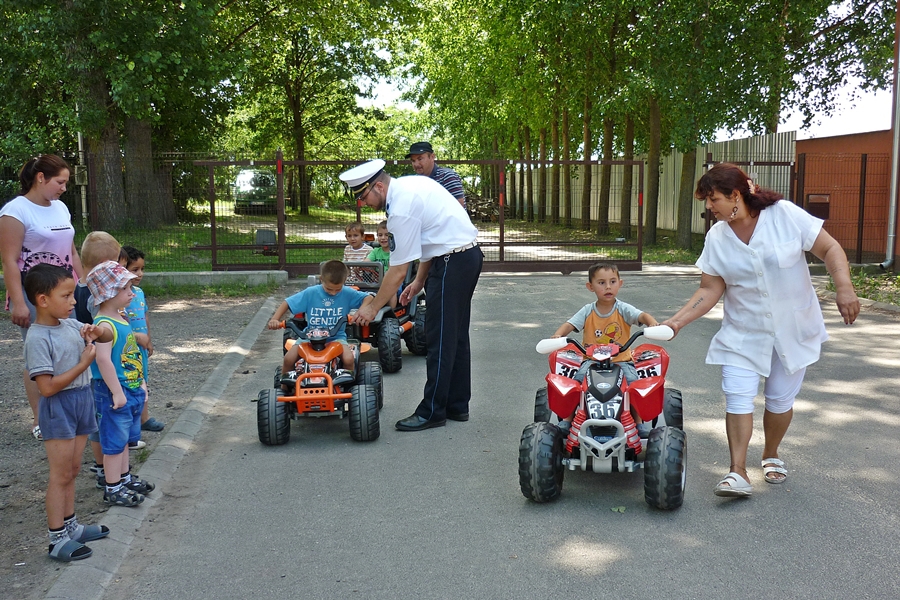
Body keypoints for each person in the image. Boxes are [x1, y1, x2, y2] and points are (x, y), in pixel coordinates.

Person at [662, 163, 860, 499]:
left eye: (713, 199)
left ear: (735, 195)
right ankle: (737, 471)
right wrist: (676, 321)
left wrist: (844, 287)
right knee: (737, 397)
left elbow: (829, 248)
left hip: (793, 328)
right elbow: (710, 288)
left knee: (779, 400)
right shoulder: (717, 237)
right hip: (743, 331)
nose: (709, 207)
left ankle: (771, 453)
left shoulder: (784, 215)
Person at [341, 159, 483, 432]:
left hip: (451, 262)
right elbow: (430, 239)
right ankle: (456, 405)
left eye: (364, 196)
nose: (363, 203)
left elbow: (397, 270)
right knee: (454, 335)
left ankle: (432, 411)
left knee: (439, 338)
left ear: (378, 187)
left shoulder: (400, 209)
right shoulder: (410, 185)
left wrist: (372, 308)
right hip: (463, 257)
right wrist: (419, 281)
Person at [22, 264, 111, 561]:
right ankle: (56, 538)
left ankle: (72, 527)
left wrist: (96, 331)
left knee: (73, 470)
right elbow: (46, 388)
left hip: (82, 400)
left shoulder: (71, 325)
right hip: (59, 408)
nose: (74, 301)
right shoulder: (38, 338)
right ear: (43, 300)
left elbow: (105, 337)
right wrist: (84, 364)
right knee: (60, 475)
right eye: (67, 295)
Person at [0, 155, 84, 440]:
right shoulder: (15, 211)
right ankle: (40, 419)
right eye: (60, 182)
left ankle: (67, 414)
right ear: (40, 178)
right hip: (36, 296)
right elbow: (9, 261)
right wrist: (19, 302)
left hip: (64, 293)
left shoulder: (60, 207)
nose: (64, 188)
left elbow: (72, 251)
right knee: (39, 356)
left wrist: (84, 284)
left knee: (68, 347)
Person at [551, 262, 658, 430]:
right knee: (577, 384)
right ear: (590, 287)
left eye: (612, 282)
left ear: (620, 283)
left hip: (621, 361)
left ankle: (638, 423)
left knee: (633, 385)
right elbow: (569, 324)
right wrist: (558, 335)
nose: (608, 287)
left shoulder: (623, 309)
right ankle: (567, 419)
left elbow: (641, 316)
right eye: (601, 282)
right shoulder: (587, 311)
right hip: (591, 361)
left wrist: (652, 323)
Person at [87, 260, 155, 507]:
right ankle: (113, 486)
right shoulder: (104, 325)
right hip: (114, 390)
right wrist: (116, 391)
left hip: (131, 386)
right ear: (108, 293)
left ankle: (124, 478)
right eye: (125, 289)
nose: (131, 293)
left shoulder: (121, 318)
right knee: (114, 442)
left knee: (124, 438)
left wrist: (141, 383)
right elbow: (103, 360)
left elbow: (132, 354)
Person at [74, 231, 131, 483]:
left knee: (100, 416)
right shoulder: (95, 297)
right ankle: (104, 469)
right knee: (103, 418)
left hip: (91, 359)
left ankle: (109, 467)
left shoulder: (78, 288)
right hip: (99, 363)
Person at [266, 260, 374, 385]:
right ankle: (284, 389)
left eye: (337, 289)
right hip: (309, 338)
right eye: (329, 289)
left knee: (349, 359)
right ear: (321, 279)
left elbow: (369, 298)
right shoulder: (311, 293)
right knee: (288, 359)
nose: (333, 293)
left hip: (336, 338)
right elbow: (288, 302)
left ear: (344, 281)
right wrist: (275, 319)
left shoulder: (347, 293)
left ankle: (349, 389)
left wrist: (360, 312)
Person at [119, 245, 165, 434]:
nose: (140, 274)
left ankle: (144, 418)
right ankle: (131, 421)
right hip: (127, 347)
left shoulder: (138, 293)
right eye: (134, 270)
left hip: (142, 347)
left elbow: (145, 317)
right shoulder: (120, 296)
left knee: (143, 380)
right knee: (131, 381)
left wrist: (149, 340)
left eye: (142, 269)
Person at [407, 141, 466, 207]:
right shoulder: (414, 182)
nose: (416, 164)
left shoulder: (447, 177)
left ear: (432, 157)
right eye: (413, 161)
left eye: (420, 159)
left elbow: (458, 209)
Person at [367, 220, 399, 309]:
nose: (383, 238)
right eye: (380, 235)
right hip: (376, 280)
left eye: (387, 235)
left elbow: (393, 271)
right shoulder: (375, 251)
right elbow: (366, 262)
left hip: (394, 281)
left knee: (391, 290)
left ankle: (391, 312)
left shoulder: (395, 252)